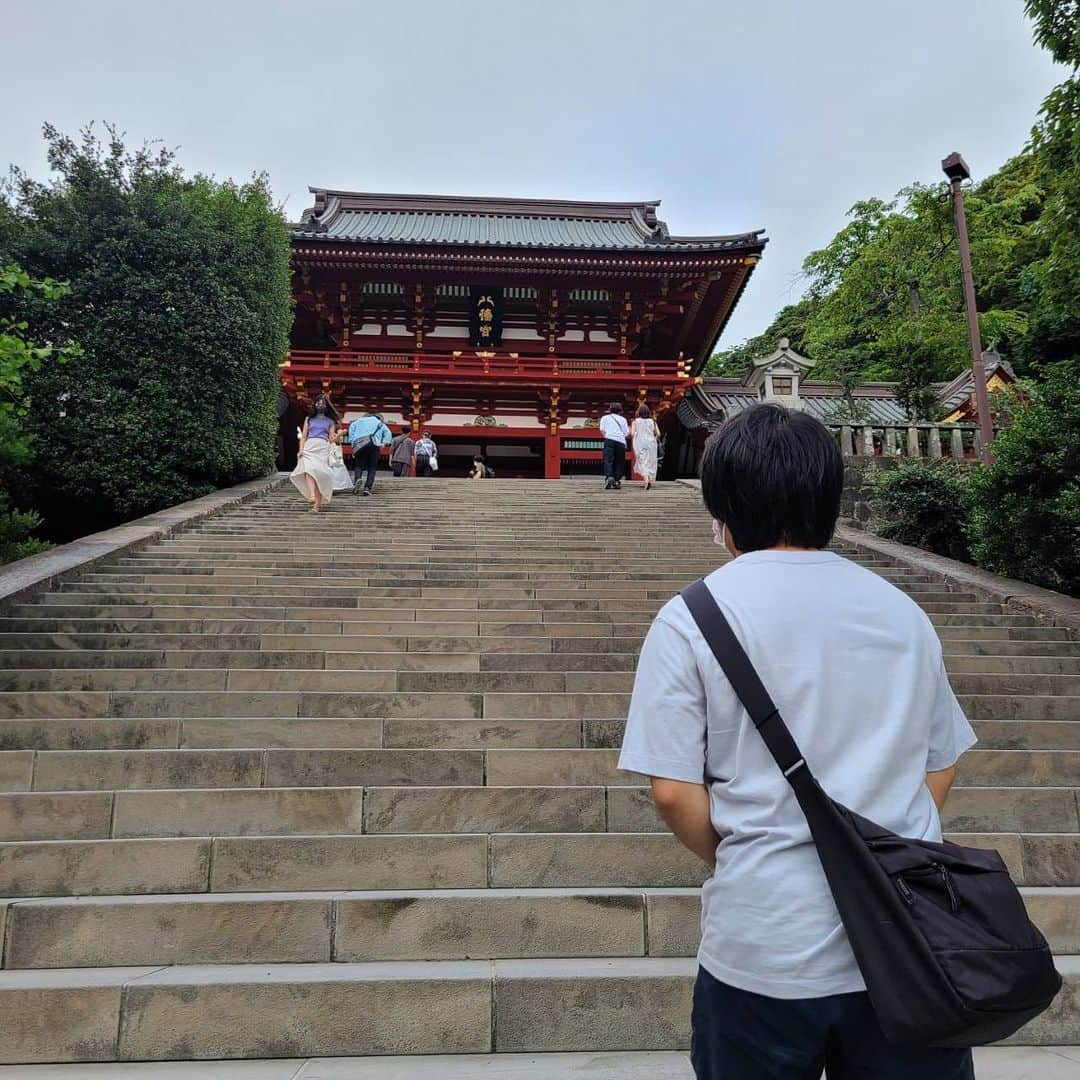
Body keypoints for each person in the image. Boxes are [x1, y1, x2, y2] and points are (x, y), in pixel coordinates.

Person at [618, 404, 976, 1079]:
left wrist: (750, 853)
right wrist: (886, 846)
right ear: (828, 502)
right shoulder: (902, 613)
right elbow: (941, 766)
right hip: (906, 946)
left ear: (721, 512)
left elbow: (672, 793)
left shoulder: (690, 618)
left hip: (763, 943)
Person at [289, 395, 339, 513]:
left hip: (322, 447)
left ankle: (317, 506)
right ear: (314, 404)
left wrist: (339, 435)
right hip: (309, 446)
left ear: (326, 405)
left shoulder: (330, 421)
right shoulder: (308, 419)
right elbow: (304, 436)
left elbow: (331, 439)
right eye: (318, 402)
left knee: (320, 475)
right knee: (308, 470)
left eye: (322, 403)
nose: (320, 405)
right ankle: (312, 496)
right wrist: (300, 449)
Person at [347, 411, 392, 496]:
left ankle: (357, 480)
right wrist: (384, 443)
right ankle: (367, 488)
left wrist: (352, 442)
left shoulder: (357, 421)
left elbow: (351, 430)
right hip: (374, 445)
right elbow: (388, 433)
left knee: (359, 466)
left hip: (360, 445)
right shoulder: (379, 422)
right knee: (372, 467)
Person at [599, 402, 629, 489]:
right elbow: (626, 433)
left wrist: (608, 436)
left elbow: (602, 430)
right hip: (620, 441)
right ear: (620, 411)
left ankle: (609, 477)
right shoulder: (623, 419)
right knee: (619, 461)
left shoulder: (605, 418)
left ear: (610, 409)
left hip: (609, 439)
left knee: (608, 459)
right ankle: (617, 480)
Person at [630, 404, 659, 489]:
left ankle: (646, 480)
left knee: (642, 461)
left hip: (640, 443)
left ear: (639, 412)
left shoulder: (635, 421)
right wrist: (653, 438)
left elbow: (632, 433)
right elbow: (658, 433)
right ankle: (649, 478)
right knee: (650, 461)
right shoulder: (652, 421)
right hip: (651, 443)